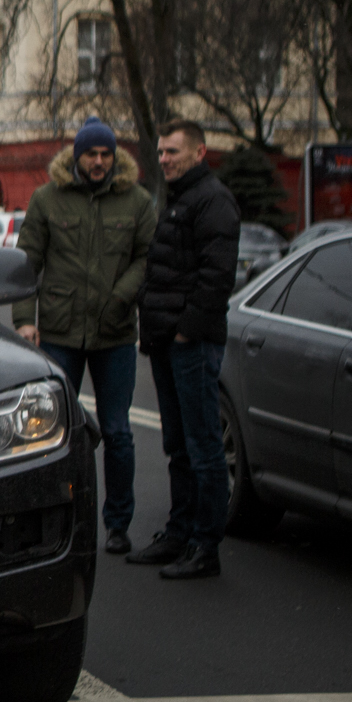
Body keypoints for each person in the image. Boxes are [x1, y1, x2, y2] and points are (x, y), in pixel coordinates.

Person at [11, 117, 156, 556]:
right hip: (59, 333)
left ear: (115, 157)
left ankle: (117, 523)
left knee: (117, 432)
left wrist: (122, 297)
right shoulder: (47, 199)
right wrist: (24, 319)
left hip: (114, 335)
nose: (98, 162)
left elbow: (147, 257)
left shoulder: (137, 202)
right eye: (91, 154)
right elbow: (24, 262)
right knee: (49, 434)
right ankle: (51, 519)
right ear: (77, 157)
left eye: (105, 154)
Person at [130, 119, 241, 580]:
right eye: (159, 152)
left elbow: (217, 278)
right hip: (165, 341)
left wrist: (184, 332)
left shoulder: (213, 200)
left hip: (189, 345)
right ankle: (179, 533)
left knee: (203, 448)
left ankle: (204, 545)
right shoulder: (179, 199)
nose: (163, 159)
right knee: (177, 446)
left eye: (172, 152)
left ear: (199, 153)